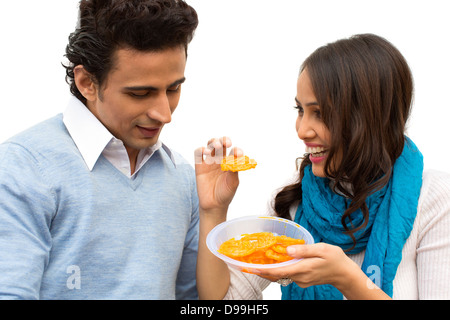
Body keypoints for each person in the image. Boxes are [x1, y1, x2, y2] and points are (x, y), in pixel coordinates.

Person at [195, 34, 450, 300]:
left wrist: (346, 278)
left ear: (370, 118)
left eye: (320, 113)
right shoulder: (293, 205)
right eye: (300, 110)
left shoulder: (434, 201)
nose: (302, 130)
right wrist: (213, 209)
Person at [0, 0, 199, 299]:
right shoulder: (23, 168)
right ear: (87, 82)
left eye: (173, 89)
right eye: (140, 93)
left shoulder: (182, 177)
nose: (164, 114)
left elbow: (194, 301)